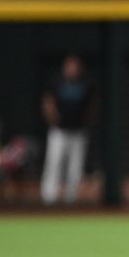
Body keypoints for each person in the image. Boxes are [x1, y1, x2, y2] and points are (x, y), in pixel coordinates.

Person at [40, 54, 94, 205]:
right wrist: (53, 118)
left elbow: (92, 105)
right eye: (70, 66)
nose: (73, 69)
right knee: (54, 162)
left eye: (75, 66)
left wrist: (86, 121)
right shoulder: (57, 82)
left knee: (75, 166)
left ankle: (71, 198)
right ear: (65, 67)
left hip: (78, 131)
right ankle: (48, 197)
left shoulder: (85, 84)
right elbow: (48, 101)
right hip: (59, 131)